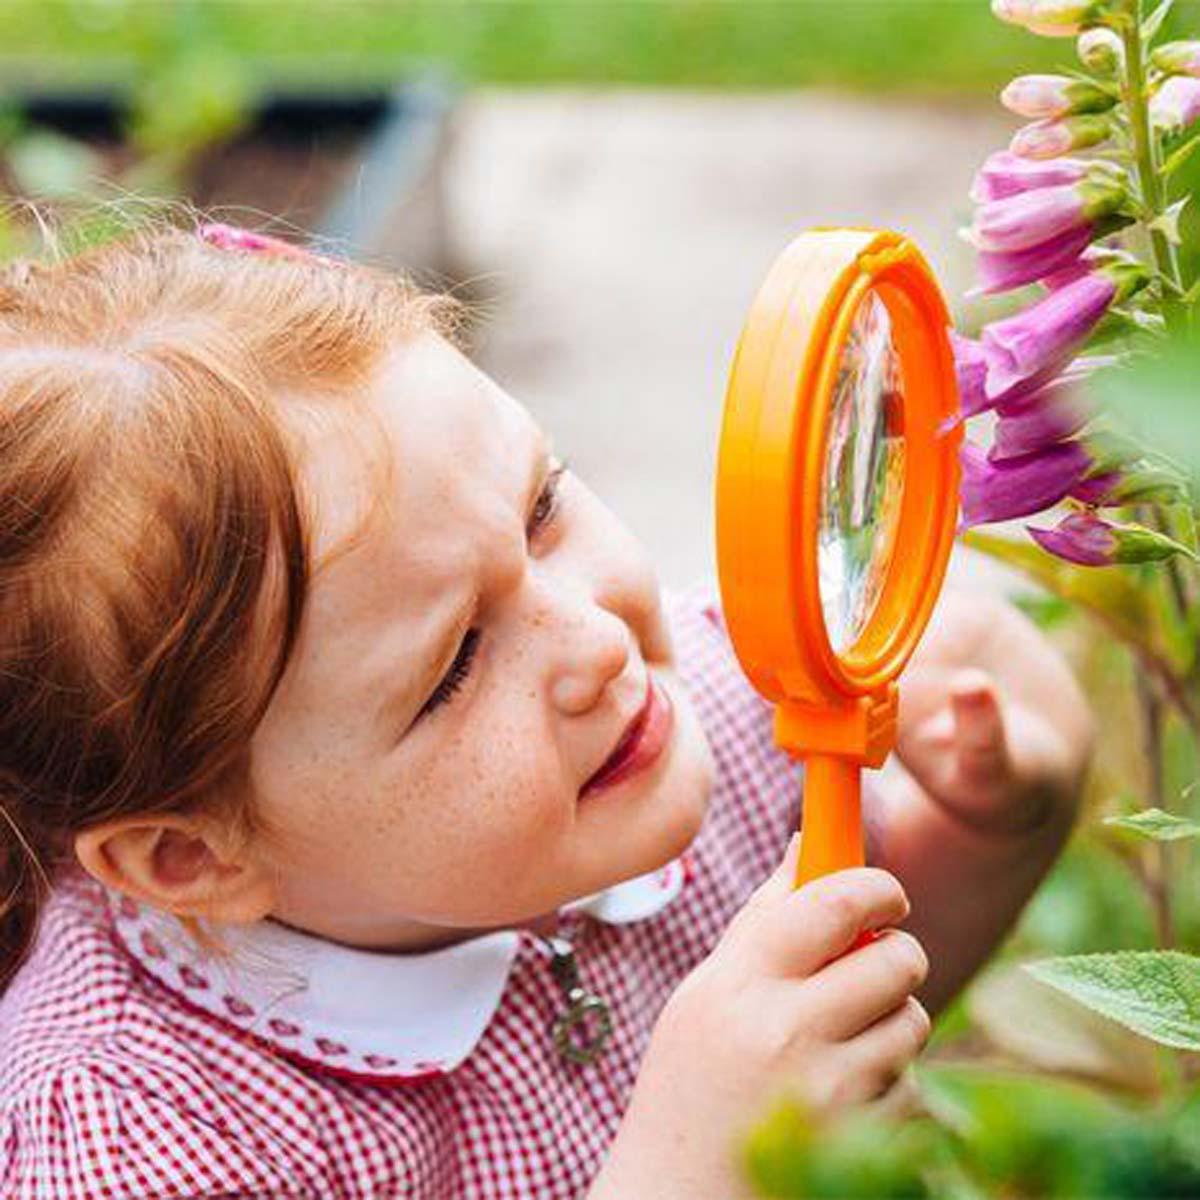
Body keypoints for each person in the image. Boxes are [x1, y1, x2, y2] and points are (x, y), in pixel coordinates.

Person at [0, 222, 1093, 1200]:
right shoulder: (145, 1131)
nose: (594, 640)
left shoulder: (697, 719)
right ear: (192, 858)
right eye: (454, 666)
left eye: (541, 506)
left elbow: (852, 1038)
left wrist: (992, 832)